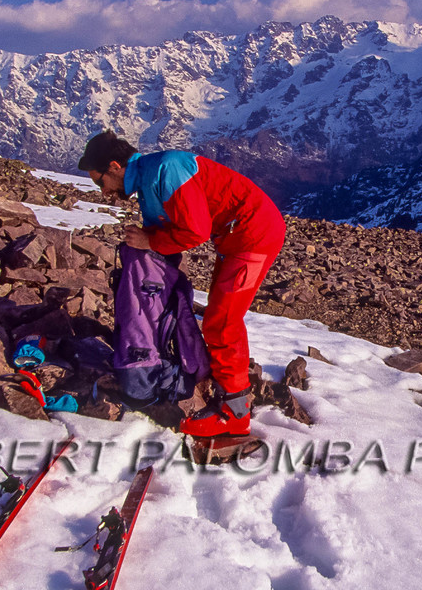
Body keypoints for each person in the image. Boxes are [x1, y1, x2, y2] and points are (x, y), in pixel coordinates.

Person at [78, 131, 286, 438]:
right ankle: (228, 391)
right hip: (235, 237)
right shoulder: (148, 179)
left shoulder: (166, 170)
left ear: (114, 166)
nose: (104, 191)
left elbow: (195, 231)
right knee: (220, 317)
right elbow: (164, 235)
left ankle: (235, 415)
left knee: (221, 322)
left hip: (254, 234)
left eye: (101, 182)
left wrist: (149, 242)